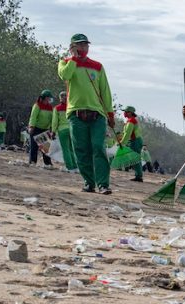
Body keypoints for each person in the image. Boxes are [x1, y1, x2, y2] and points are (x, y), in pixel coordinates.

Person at [58, 33, 115, 194]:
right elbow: (65, 75)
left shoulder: (97, 66)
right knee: (81, 149)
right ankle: (88, 183)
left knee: (98, 147)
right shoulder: (65, 63)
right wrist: (74, 59)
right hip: (76, 115)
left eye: (85, 45)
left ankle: (103, 184)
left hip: (97, 114)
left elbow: (105, 91)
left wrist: (110, 114)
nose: (83, 48)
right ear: (72, 47)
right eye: (79, 45)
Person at [51, 91, 78, 172]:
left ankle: (69, 167)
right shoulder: (72, 107)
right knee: (71, 149)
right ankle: (75, 167)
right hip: (72, 129)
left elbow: (55, 122)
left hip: (62, 130)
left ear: (60, 98)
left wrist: (53, 131)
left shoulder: (57, 108)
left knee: (65, 149)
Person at [27, 89, 54, 167]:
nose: (50, 99)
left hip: (45, 129)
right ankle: (32, 162)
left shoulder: (50, 107)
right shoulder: (37, 105)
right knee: (34, 147)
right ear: (45, 98)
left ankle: (48, 163)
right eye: (49, 97)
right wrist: (31, 127)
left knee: (46, 148)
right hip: (36, 129)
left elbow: (52, 119)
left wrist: (52, 128)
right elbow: (33, 117)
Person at [117, 106, 144, 182]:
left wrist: (122, 142)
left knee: (135, 158)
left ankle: (139, 176)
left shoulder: (131, 120)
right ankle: (138, 175)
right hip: (134, 141)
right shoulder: (130, 120)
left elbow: (128, 133)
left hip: (135, 141)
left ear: (130, 113)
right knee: (133, 158)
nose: (124, 113)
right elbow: (126, 133)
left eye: (125, 111)